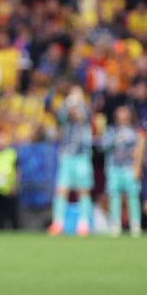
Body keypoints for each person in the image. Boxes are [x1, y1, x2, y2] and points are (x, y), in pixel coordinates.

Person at [49, 88, 94, 236]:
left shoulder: (86, 109)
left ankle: (84, 223)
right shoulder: (64, 109)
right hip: (67, 155)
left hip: (82, 155)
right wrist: (69, 103)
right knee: (62, 189)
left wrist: (78, 104)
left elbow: (83, 116)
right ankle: (58, 222)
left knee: (83, 190)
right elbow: (60, 113)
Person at [102, 105, 145, 237]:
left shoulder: (135, 130)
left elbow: (140, 149)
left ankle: (135, 224)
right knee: (114, 196)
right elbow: (103, 145)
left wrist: (137, 166)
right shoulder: (111, 130)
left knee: (133, 196)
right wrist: (115, 139)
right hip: (114, 167)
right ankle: (115, 224)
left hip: (129, 167)